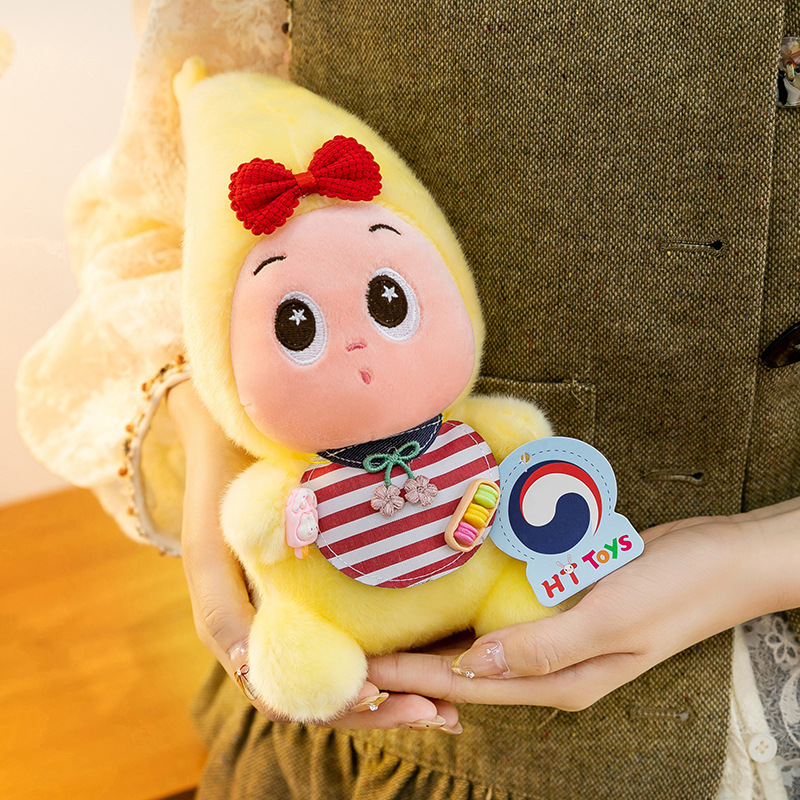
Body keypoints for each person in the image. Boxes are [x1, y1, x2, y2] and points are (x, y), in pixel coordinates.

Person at [17, 0, 800, 797]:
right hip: (431, 750)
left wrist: (769, 556)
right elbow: (162, 220)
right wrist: (223, 478)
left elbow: (517, 435)